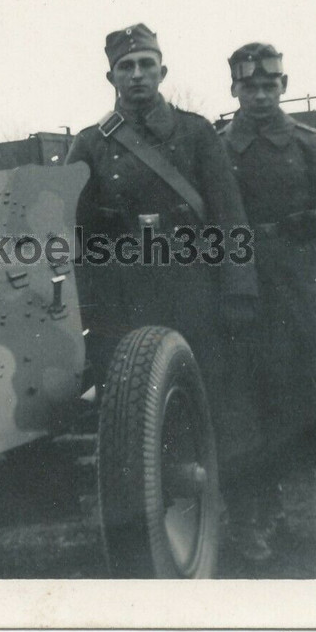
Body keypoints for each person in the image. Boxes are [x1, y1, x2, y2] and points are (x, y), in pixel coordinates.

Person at [65, 23, 257, 449]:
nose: (137, 74)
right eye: (126, 66)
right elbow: (73, 234)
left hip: (194, 294)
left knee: (213, 401)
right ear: (111, 77)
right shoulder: (90, 144)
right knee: (133, 417)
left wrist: (238, 293)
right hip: (123, 302)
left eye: (146, 65)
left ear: (162, 71)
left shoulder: (196, 133)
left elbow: (230, 219)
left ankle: (234, 502)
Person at [217, 42, 316, 562]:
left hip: (309, 287)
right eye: (250, 86)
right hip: (250, 290)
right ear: (234, 89)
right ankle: (265, 520)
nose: (260, 95)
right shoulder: (219, 150)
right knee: (256, 411)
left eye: (270, 85)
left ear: (283, 86)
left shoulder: (308, 144)